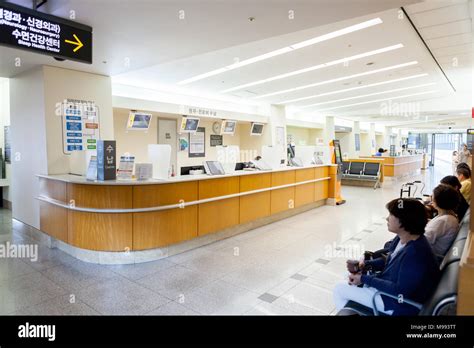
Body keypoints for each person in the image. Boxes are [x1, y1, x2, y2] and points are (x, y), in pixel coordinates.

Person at [333, 198, 440, 316]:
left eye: (391, 215)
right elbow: (390, 261)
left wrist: (364, 279)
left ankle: (354, 309)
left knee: (339, 289)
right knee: (348, 276)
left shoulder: (415, 254)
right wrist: (366, 265)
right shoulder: (402, 238)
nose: (387, 218)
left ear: (404, 220)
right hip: (388, 287)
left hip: (397, 303)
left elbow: (399, 292)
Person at [424, 184, 459, 258]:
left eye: (432, 198)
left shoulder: (444, 221)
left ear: (438, 201)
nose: (431, 200)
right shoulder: (449, 215)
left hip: (430, 257)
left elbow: (422, 241)